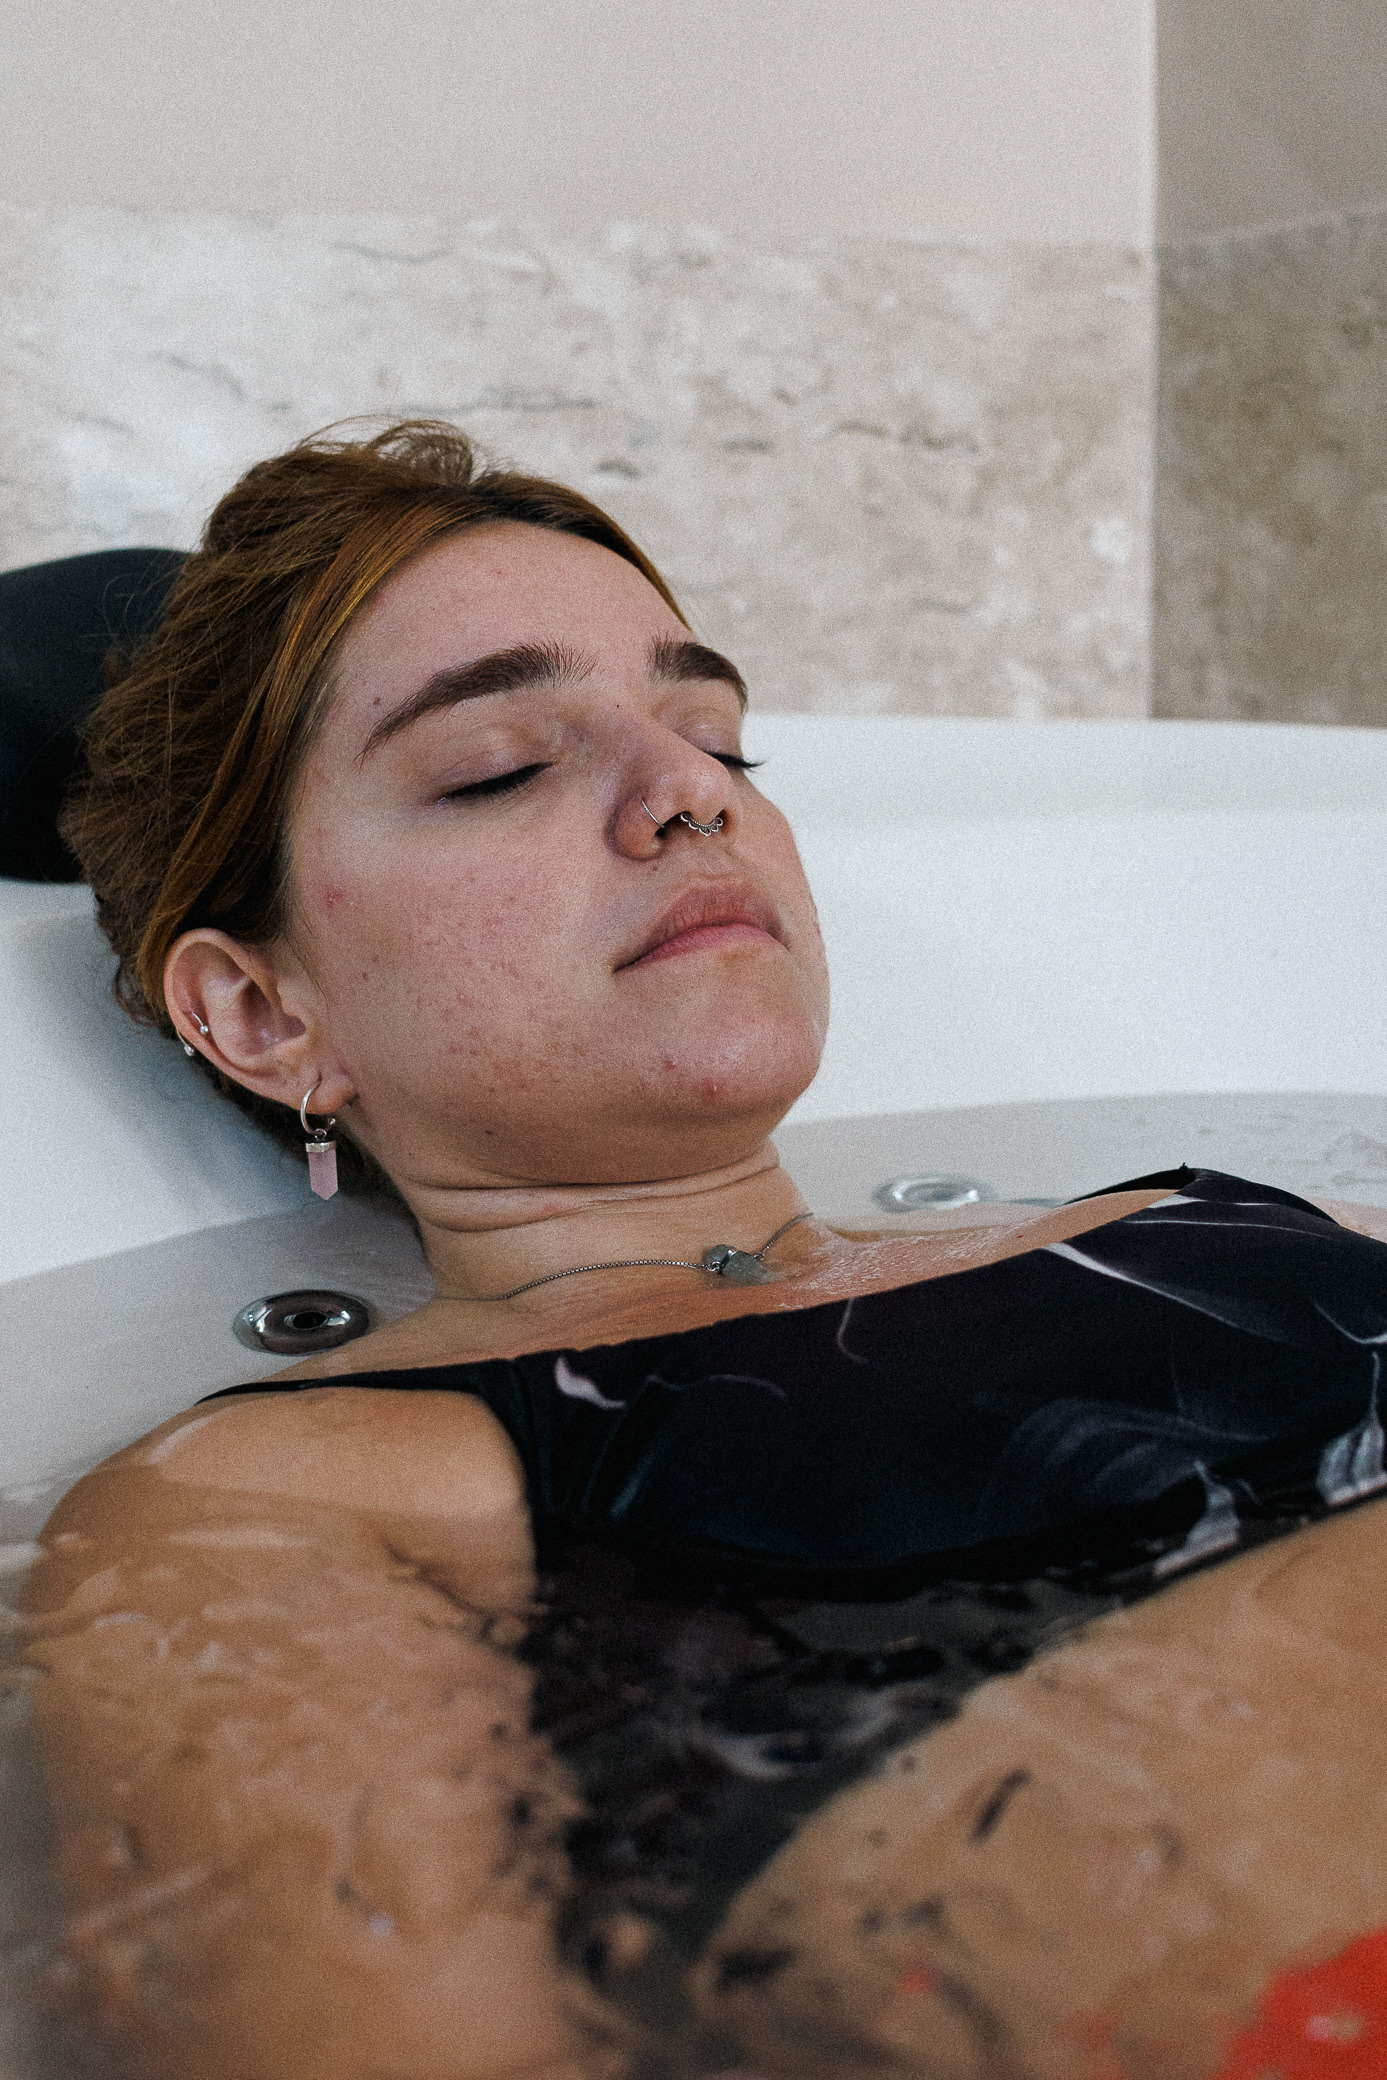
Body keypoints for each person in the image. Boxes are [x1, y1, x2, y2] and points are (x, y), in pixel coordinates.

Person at [19, 420, 1387, 2080]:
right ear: (261, 1010)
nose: (690, 794)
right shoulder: (311, 1490)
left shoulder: (1229, 1215)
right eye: (499, 767)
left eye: (720, 737)